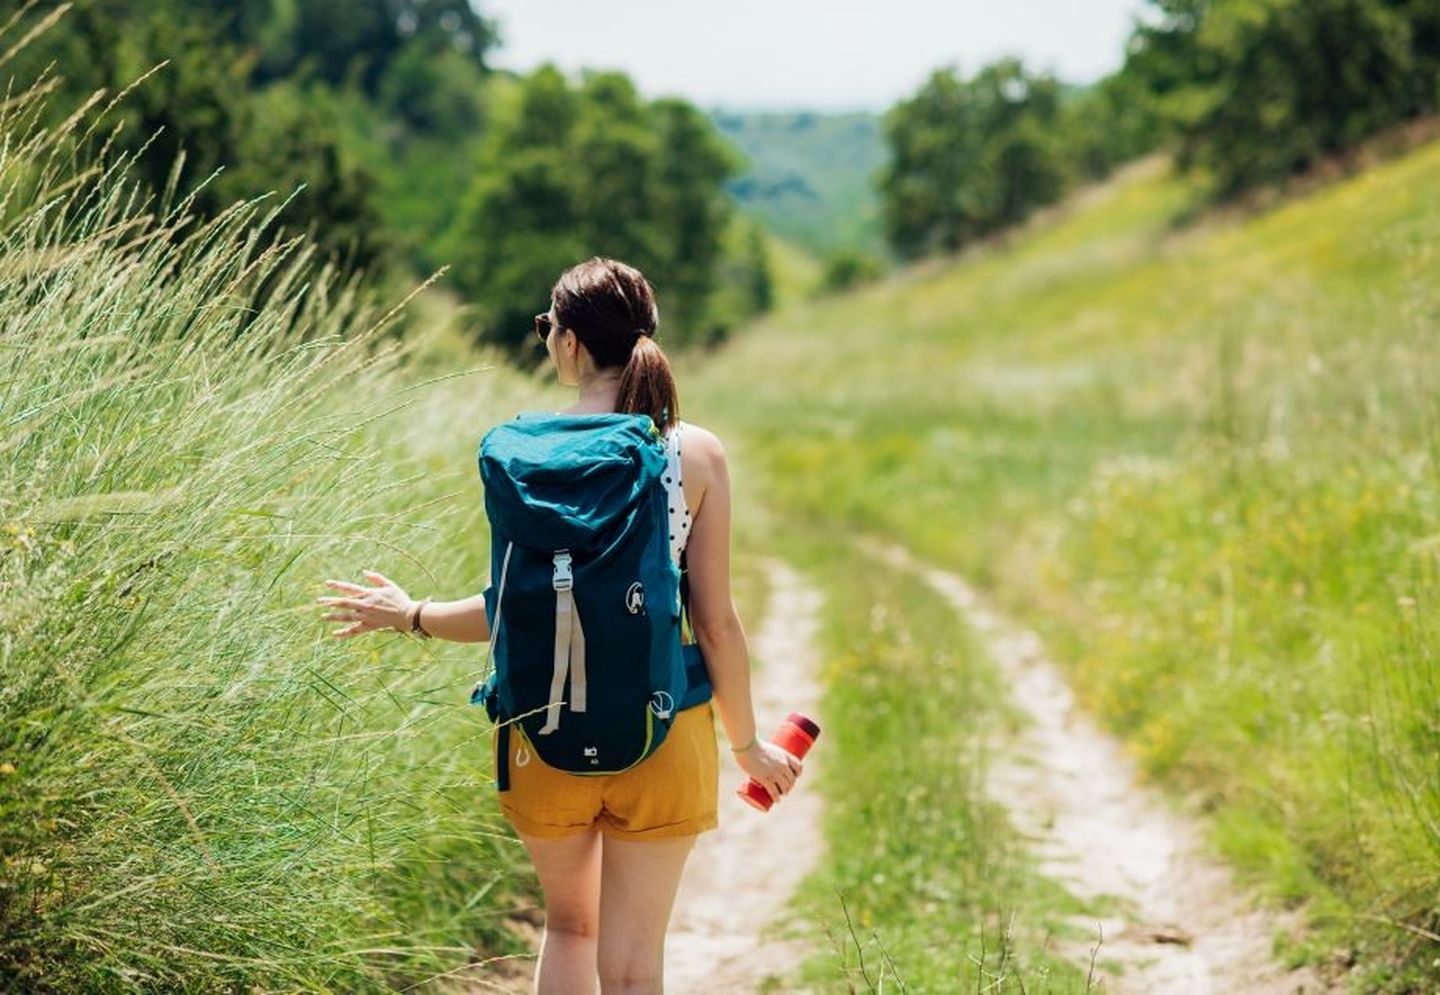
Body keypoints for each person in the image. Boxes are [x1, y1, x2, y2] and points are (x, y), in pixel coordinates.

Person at [315, 256, 802, 994]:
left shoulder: (519, 455)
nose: (545, 337)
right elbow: (717, 622)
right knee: (636, 967)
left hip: (541, 734)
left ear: (569, 342)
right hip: (665, 734)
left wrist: (409, 614)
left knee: (570, 926)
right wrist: (747, 744)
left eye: (546, 325)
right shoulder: (693, 453)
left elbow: (510, 609)